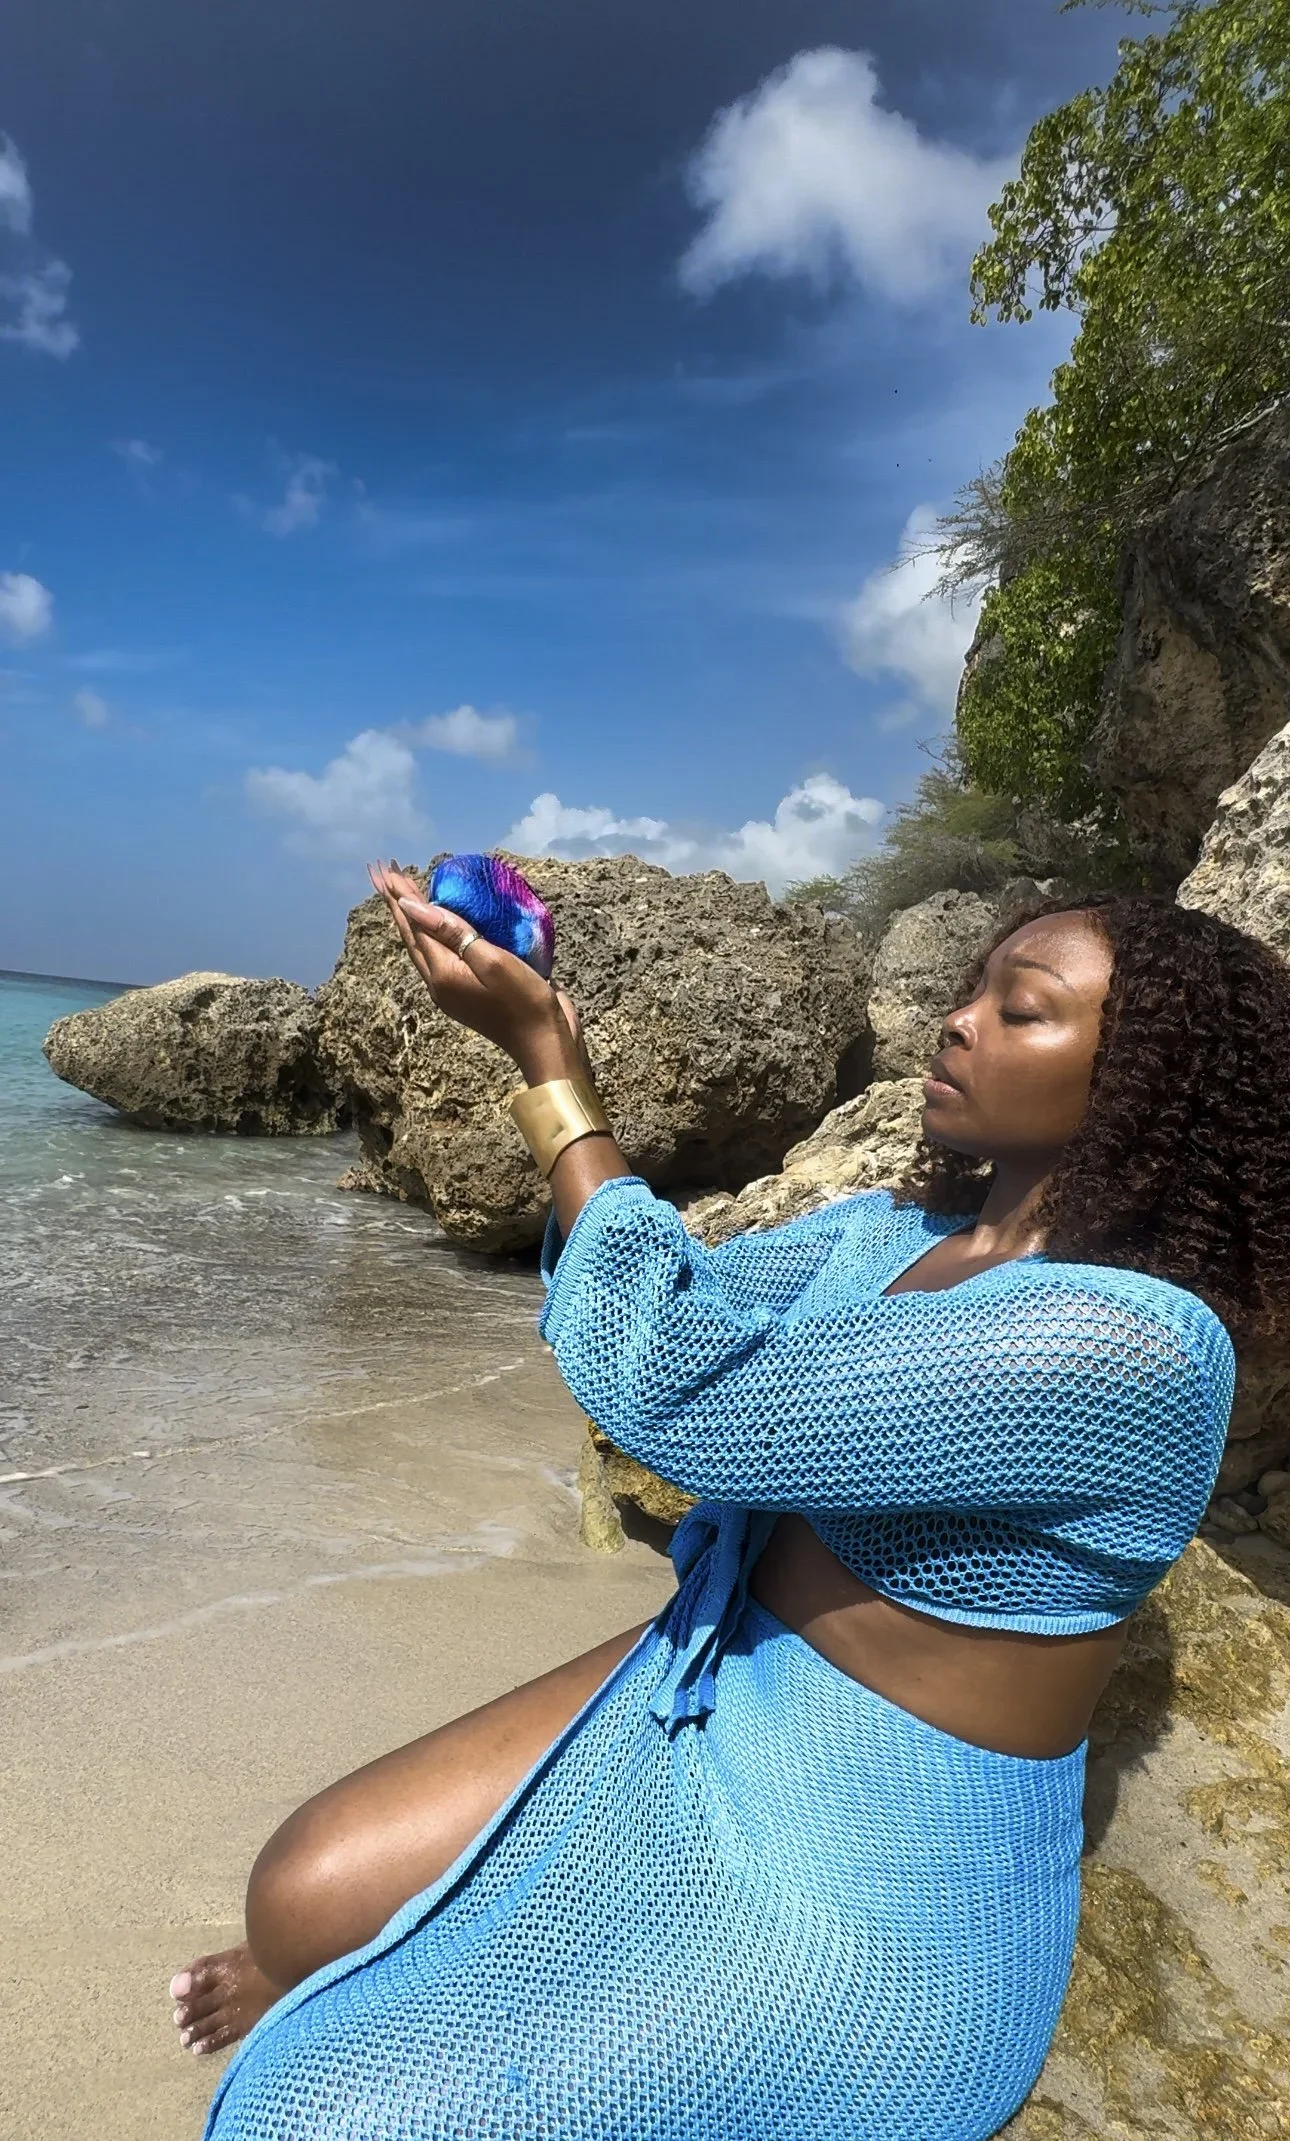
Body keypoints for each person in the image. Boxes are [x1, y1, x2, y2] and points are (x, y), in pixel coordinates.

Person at [173, 868, 1290, 2140]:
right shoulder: (891, 1231)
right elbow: (680, 1284)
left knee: (310, 2113)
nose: (961, 1019)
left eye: (1020, 1009)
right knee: (300, 1889)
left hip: (864, 1880)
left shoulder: (1126, 1345)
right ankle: (317, 1968)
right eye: (971, 987)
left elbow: (678, 1380)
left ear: (1148, 1083)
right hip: (733, 1674)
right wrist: (560, 1057)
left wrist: (548, 1058)